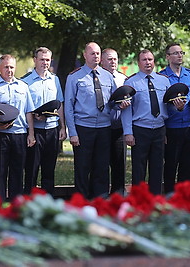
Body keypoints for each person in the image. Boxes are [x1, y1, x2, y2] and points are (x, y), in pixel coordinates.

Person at [121, 49, 185, 195]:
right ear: (138, 63)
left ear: (154, 62)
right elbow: (126, 110)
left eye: (150, 59)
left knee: (157, 168)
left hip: (159, 129)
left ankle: (155, 200)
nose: (148, 62)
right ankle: (138, 199)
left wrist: (179, 108)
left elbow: (170, 106)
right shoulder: (131, 82)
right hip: (140, 129)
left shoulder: (164, 80)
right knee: (139, 168)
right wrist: (128, 132)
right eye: (144, 60)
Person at [65, 42, 117, 199]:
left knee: (101, 168)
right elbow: (68, 106)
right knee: (82, 168)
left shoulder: (108, 76)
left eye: (98, 53)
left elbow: (114, 101)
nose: (96, 56)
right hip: (83, 128)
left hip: (104, 128)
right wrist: (72, 133)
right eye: (92, 53)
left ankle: (100, 201)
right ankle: (81, 202)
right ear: (85, 55)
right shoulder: (75, 77)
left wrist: (122, 104)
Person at [0, 54, 36, 201]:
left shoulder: (23, 87)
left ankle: (16, 206)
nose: (9, 70)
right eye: (6, 67)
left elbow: (28, 111)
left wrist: (31, 133)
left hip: (19, 134)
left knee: (17, 172)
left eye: (12, 67)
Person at [21, 47, 66, 196]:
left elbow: (59, 103)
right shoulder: (25, 82)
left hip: (52, 129)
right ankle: (29, 199)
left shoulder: (55, 79)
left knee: (49, 169)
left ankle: (48, 201)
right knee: (31, 169)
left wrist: (62, 127)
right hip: (35, 131)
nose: (45, 63)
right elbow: (24, 108)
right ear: (35, 60)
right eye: (42, 59)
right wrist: (34, 117)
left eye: (47, 60)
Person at [159, 43, 190, 194]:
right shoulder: (162, 77)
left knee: (187, 166)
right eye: (175, 53)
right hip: (170, 128)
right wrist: (175, 108)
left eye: (181, 52)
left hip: (188, 126)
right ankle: (170, 197)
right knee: (170, 165)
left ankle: (186, 197)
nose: (179, 55)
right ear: (168, 57)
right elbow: (160, 104)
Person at [101, 48, 128, 195]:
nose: (113, 62)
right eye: (110, 59)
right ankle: (101, 196)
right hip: (102, 127)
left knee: (119, 165)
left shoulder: (123, 79)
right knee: (101, 164)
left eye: (115, 59)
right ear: (102, 61)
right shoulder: (97, 77)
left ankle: (118, 195)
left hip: (119, 128)